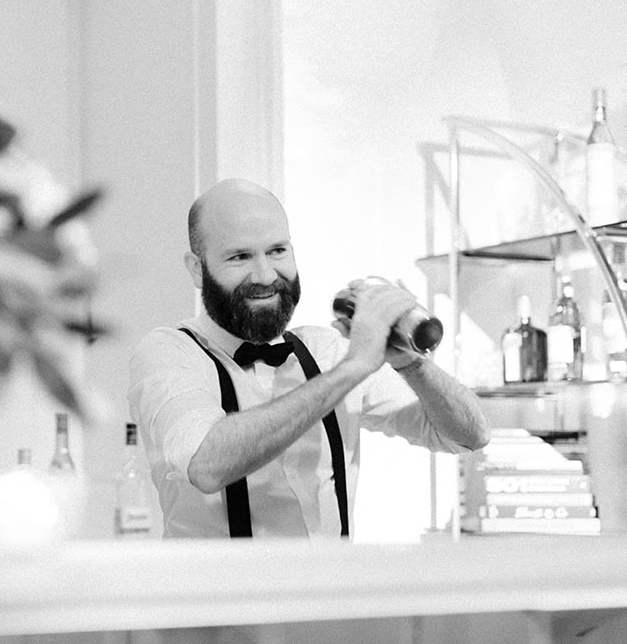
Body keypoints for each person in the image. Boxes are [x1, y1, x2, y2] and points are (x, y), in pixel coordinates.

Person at [128, 178, 490, 539]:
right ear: (196, 268)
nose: (266, 275)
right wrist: (354, 367)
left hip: (329, 593)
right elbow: (207, 464)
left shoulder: (327, 351)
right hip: (220, 596)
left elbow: (468, 435)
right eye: (239, 257)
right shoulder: (169, 354)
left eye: (277, 251)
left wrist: (412, 363)